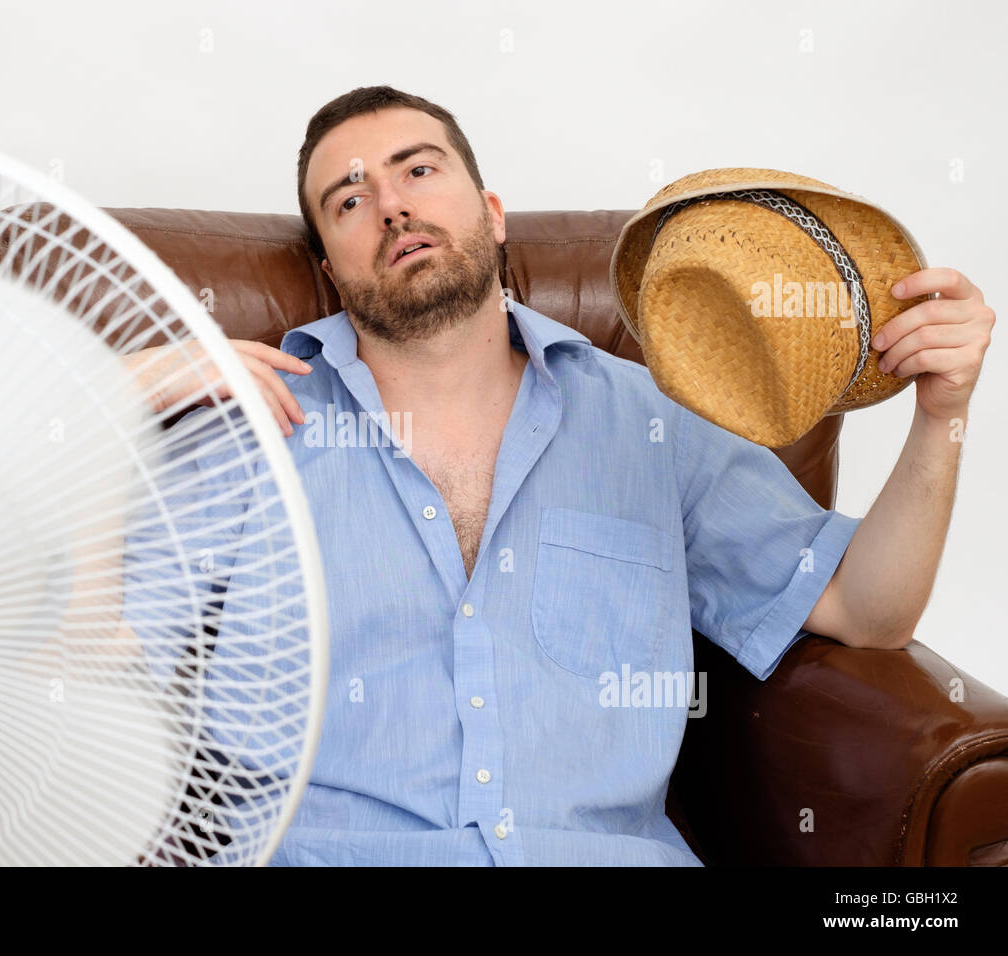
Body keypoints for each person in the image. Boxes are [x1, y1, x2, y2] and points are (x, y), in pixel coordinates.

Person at [123, 86, 993, 865]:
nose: (391, 207)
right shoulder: (253, 422)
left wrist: (942, 414)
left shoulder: (651, 417)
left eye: (417, 170)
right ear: (327, 268)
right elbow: (86, 670)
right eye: (349, 199)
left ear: (493, 213)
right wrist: (107, 412)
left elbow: (866, 611)